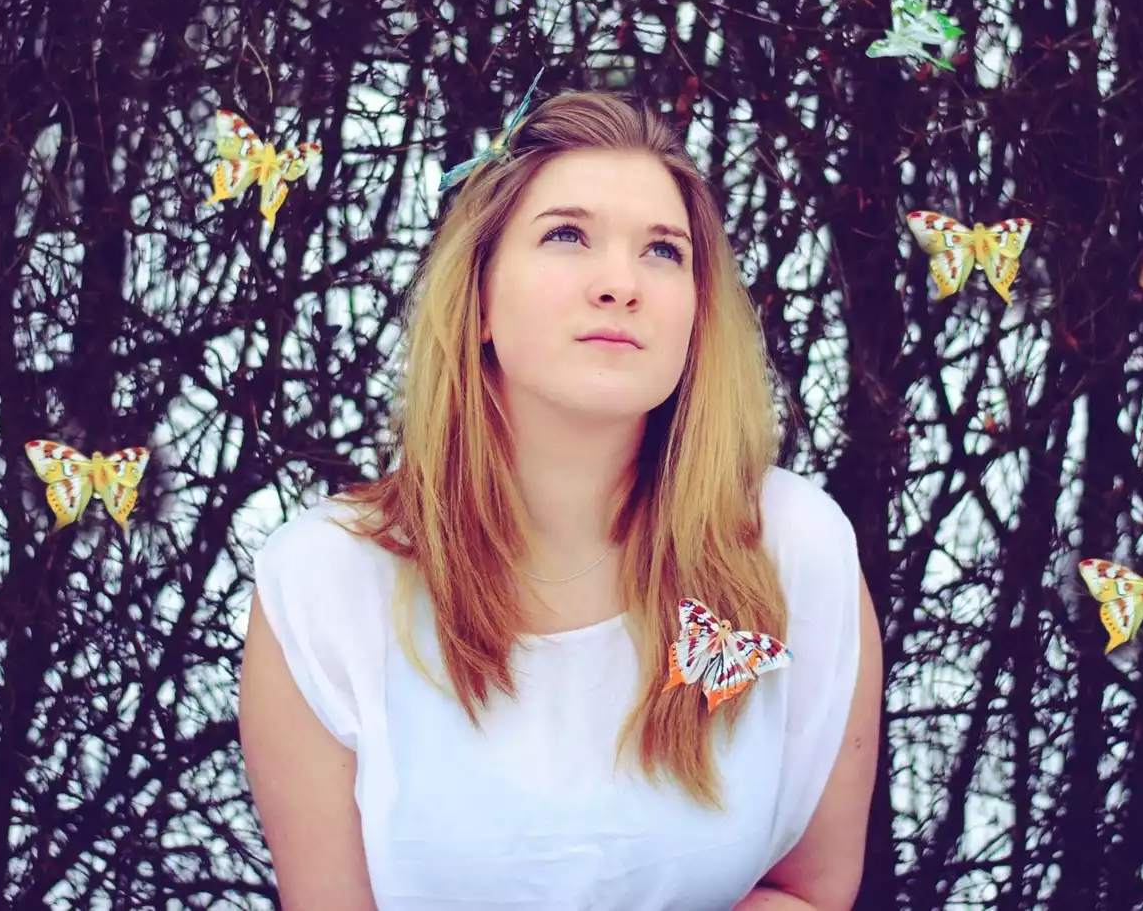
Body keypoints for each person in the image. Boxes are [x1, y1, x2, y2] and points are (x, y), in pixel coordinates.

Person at [238, 88, 882, 910]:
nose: (621, 283)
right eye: (567, 235)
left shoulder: (791, 550)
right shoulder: (326, 584)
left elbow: (811, 891)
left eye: (663, 251)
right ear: (477, 297)